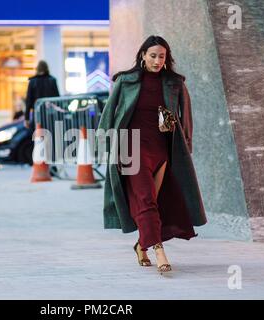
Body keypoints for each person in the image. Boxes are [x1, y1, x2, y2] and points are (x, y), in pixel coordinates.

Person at [97, 35, 207, 275]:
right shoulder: (125, 81)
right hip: (131, 148)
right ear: (143, 55)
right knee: (146, 199)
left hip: (162, 150)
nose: (157, 61)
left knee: (154, 201)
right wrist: (104, 146)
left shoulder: (174, 83)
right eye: (153, 55)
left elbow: (185, 119)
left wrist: (185, 147)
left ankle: (141, 245)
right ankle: (159, 252)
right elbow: (109, 114)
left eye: (162, 56)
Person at [24, 60, 60, 129]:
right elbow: (57, 98)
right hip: (50, 113)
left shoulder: (32, 81)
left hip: (37, 113)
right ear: (47, 68)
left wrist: (27, 118)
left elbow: (28, 101)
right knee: (50, 134)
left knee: (38, 135)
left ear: (37, 69)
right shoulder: (52, 80)